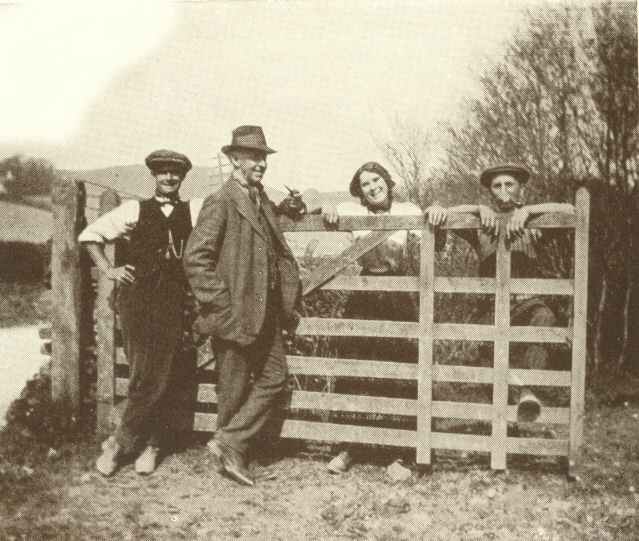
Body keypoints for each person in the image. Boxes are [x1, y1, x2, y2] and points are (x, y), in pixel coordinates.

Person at [183, 125, 302, 486]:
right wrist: (221, 306)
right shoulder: (221, 201)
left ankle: (229, 443)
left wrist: (292, 208)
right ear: (234, 159)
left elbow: (267, 229)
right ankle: (232, 458)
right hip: (233, 314)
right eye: (254, 157)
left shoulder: (258, 198)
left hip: (265, 313)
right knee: (232, 388)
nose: (261, 164)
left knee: (275, 377)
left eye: (263, 157)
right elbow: (195, 258)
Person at [79, 149, 202, 476]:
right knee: (144, 374)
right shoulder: (135, 209)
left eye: (175, 173)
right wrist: (109, 269)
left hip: (174, 303)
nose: (169, 178)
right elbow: (90, 236)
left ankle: (132, 444)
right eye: (162, 172)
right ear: (154, 176)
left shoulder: (193, 210)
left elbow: (231, 215)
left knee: (160, 374)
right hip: (137, 301)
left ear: (183, 177)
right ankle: (142, 442)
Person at [426, 163, 574, 422]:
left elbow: (571, 210)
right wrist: (478, 209)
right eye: (497, 186)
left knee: (544, 318)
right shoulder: (483, 224)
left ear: (521, 189)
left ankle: (527, 391)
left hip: (527, 303)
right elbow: (442, 214)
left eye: (510, 184)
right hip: (492, 307)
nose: (504, 190)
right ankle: (506, 421)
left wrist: (528, 212)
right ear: (490, 192)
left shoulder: (535, 223)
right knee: (487, 355)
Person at [321, 161, 440, 474]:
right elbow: (328, 210)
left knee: (400, 369)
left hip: (397, 291)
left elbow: (431, 231)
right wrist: (329, 209)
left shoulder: (406, 208)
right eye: (365, 185)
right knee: (354, 367)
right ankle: (348, 447)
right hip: (364, 291)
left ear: (387, 181)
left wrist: (437, 212)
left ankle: (400, 451)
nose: (372, 188)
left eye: (376, 181)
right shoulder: (353, 211)